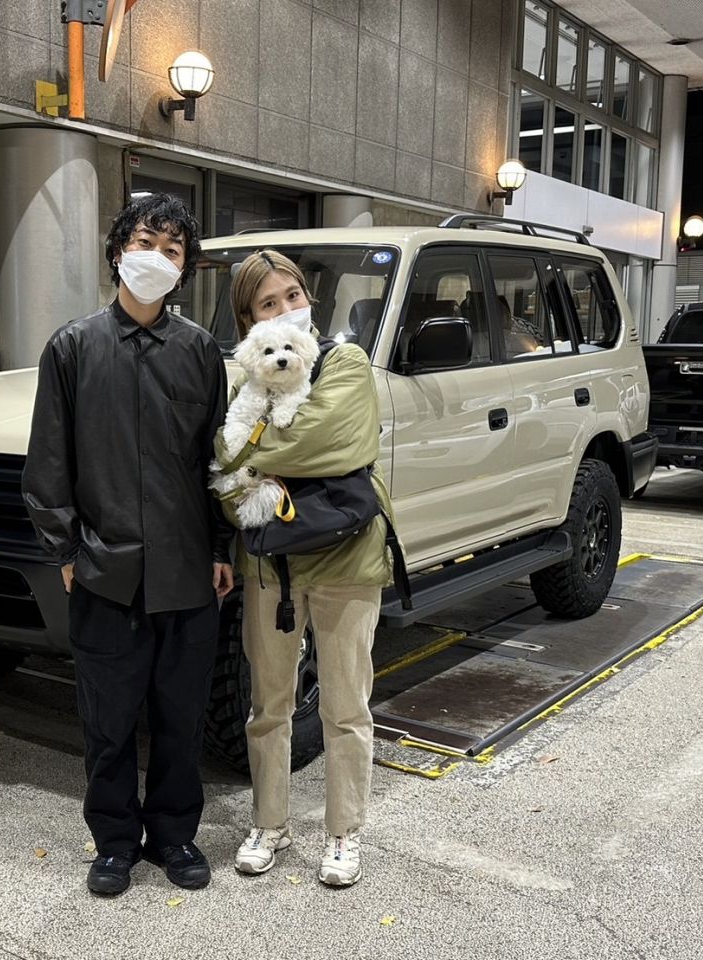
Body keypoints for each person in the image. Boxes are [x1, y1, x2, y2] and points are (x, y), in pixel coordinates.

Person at [22, 194, 235, 898]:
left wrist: (222, 549)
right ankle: (114, 842)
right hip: (103, 573)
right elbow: (48, 464)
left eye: (173, 251)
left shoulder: (201, 352)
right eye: (146, 242)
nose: (157, 258)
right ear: (118, 252)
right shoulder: (73, 348)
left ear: (184, 270)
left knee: (179, 719)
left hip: (186, 575)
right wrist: (64, 552)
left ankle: (174, 835)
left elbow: (220, 461)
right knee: (107, 723)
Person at [213, 249, 397, 888]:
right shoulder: (240, 379)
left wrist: (260, 457)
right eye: (269, 303)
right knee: (269, 706)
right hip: (272, 568)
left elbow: (332, 441)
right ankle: (270, 821)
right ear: (248, 322)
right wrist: (258, 457)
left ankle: (344, 832)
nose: (287, 308)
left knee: (345, 707)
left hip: (347, 558)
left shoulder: (344, 360)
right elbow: (221, 453)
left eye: (293, 296)